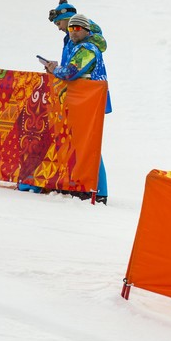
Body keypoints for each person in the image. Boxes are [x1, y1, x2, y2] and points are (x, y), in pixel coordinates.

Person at [45, 14, 110, 204]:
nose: (73, 32)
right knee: (85, 143)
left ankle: (97, 190)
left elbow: (71, 72)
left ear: (86, 31)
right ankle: (87, 186)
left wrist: (55, 69)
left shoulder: (88, 49)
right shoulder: (79, 46)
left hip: (86, 100)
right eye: (70, 29)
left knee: (88, 143)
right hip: (82, 100)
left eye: (77, 29)